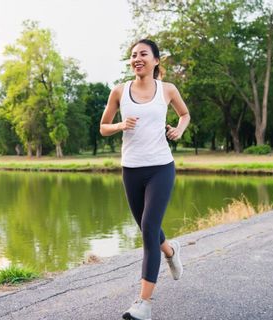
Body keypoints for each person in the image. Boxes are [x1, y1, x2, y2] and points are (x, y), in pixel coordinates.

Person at [100, 39, 190, 320]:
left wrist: (179, 129)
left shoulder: (168, 89)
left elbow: (184, 114)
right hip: (131, 169)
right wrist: (119, 125)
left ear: (155, 60)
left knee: (149, 229)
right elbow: (103, 127)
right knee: (146, 228)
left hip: (161, 167)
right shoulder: (119, 91)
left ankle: (144, 304)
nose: (137, 59)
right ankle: (171, 250)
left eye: (143, 54)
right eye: (133, 55)